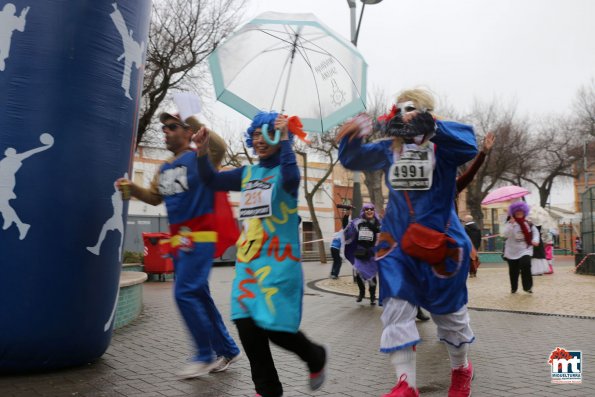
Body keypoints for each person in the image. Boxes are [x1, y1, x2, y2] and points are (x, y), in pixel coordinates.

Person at [338, 88, 477, 397]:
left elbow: (470, 143)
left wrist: (432, 127)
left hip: (440, 241)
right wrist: (350, 136)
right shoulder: (390, 148)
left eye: (412, 109)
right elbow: (353, 157)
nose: (404, 114)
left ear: (427, 112)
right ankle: (406, 383)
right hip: (397, 244)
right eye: (399, 110)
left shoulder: (444, 146)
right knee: (396, 306)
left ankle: (461, 368)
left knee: (449, 316)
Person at [194, 112, 327, 397]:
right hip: (250, 260)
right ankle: (267, 390)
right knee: (245, 323)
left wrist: (287, 139)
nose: (259, 140)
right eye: (254, 134)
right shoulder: (248, 174)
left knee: (273, 325)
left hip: (279, 261)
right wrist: (202, 151)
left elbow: (291, 178)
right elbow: (210, 180)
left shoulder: (286, 171)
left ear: (277, 137)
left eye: (266, 133)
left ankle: (314, 355)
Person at [116, 113, 241, 378]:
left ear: (187, 132)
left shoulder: (201, 156)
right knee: (199, 296)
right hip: (179, 241)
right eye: (163, 128)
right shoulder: (163, 168)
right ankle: (227, 349)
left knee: (184, 292)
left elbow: (221, 147)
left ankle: (204, 354)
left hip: (202, 237)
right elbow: (153, 198)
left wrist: (193, 121)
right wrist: (131, 188)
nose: (166, 131)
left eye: (173, 127)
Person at [344, 203, 381, 305]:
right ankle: (361, 293)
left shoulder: (377, 224)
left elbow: (381, 237)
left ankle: (372, 297)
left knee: (372, 275)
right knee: (359, 274)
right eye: (366, 209)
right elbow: (347, 230)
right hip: (359, 252)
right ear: (363, 211)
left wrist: (375, 249)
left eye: (371, 209)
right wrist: (346, 215)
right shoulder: (357, 223)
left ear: (374, 211)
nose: (369, 211)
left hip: (371, 253)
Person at [502, 201, 539, 294]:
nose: (519, 213)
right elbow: (505, 235)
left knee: (525, 264)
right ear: (513, 213)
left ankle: (528, 287)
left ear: (524, 212)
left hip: (525, 249)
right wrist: (511, 224)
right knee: (513, 270)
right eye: (517, 212)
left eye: (521, 212)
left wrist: (535, 240)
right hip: (512, 250)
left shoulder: (528, 223)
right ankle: (514, 287)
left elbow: (535, 233)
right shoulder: (509, 223)